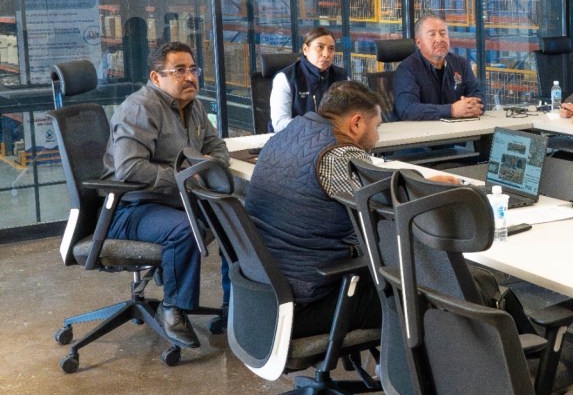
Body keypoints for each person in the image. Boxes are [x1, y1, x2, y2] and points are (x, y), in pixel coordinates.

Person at [245, 81, 459, 337]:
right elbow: (385, 208)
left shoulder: (290, 134)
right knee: (436, 301)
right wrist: (426, 188)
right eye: (376, 127)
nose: (377, 138)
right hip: (309, 301)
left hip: (267, 292)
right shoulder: (337, 155)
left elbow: (370, 188)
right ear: (356, 123)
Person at [103, 41, 228, 349]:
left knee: (235, 216)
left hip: (177, 200)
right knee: (184, 230)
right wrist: (187, 178)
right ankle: (173, 308)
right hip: (131, 208)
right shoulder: (139, 108)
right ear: (156, 77)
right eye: (179, 71)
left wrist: (210, 169)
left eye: (193, 69)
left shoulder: (194, 105)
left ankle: (234, 307)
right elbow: (130, 169)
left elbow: (216, 147)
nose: (190, 77)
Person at [393, 12, 483, 121]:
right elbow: (407, 109)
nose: (439, 39)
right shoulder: (407, 69)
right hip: (424, 131)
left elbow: (479, 97)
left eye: (443, 33)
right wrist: (451, 110)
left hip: (459, 128)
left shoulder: (461, 63)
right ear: (418, 42)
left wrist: (471, 106)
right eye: (432, 34)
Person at [269, 26, 348, 133]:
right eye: (320, 47)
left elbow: (355, 113)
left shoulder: (342, 78)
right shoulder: (285, 79)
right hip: (295, 139)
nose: (326, 54)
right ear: (305, 49)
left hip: (333, 137)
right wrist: (314, 127)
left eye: (331, 48)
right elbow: (280, 123)